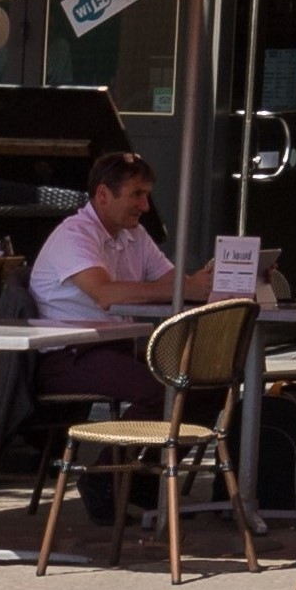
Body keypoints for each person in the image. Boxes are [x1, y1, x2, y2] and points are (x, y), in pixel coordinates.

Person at [29, 150, 211, 410]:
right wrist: (188, 288)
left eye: (147, 195)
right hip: (69, 355)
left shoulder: (135, 233)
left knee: (206, 385)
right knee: (167, 393)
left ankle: (145, 451)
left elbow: (177, 284)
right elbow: (106, 294)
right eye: (136, 194)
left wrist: (220, 278)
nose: (145, 206)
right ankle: (122, 452)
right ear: (103, 194)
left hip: (115, 349)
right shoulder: (74, 235)